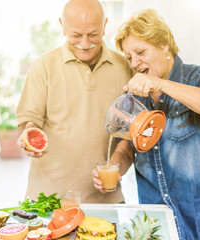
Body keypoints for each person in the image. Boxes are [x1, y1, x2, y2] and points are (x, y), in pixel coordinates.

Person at [92, 9, 200, 240]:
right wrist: (116, 167)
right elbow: (126, 146)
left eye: (141, 52)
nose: (135, 62)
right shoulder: (136, 97)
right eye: (129, 57)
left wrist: (160, 84)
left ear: (165, 45)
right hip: (155, 222)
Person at [16, 0, 132, 204]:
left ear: (105, 25)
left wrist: (117, 166)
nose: (85, 43)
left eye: (93, 34)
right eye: (77, 35)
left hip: (106, 201)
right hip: (47, 199)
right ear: (62, 26)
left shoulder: (124, 67)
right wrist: (28, 135)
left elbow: (129, 136)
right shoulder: (43, 66)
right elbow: (28, 121)